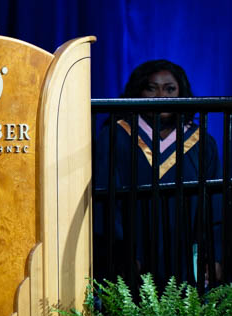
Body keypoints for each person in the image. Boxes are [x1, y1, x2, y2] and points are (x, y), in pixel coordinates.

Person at [94, 59, 221, 286]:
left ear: (181, 92)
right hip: (132, 258)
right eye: (151, 88)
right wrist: (119, 253)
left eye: (170, 89)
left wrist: (214, 256)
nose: (161, 96)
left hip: (185, 260)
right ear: (138, 92)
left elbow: (215, 206)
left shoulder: (201, 142)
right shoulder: (116, 135)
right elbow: (105, 205)